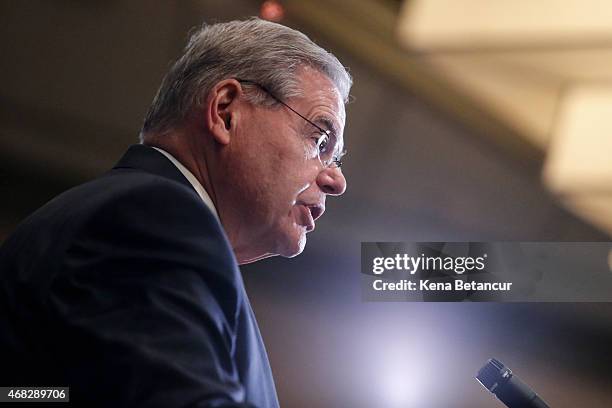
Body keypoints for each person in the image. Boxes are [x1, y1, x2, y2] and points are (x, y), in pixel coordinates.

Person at [0, 18, 351, 407]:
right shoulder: (148, 219)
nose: (337, 181)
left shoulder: (145, 224)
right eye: (320, 140)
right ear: (224, 112)